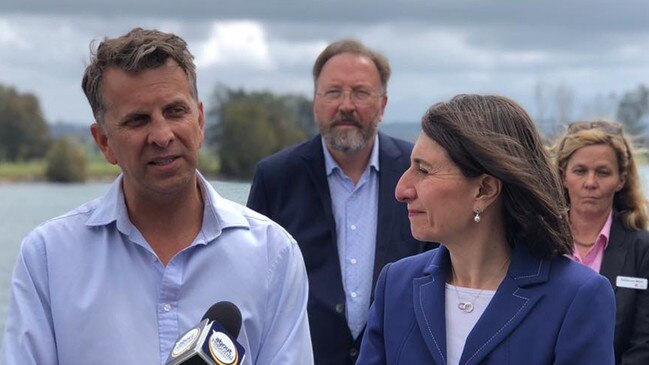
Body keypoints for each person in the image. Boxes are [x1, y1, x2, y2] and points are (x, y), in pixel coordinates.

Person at [0, 28, 313, 364]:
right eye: (138, 120)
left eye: (175, 111)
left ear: (200, 121)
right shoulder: (48, 258)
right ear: (103, 141)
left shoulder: (273, 254)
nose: (162, 135)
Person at [356, 94, 616, 365]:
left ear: (485, 189)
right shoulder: (397, 285)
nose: (401, 190)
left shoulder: (576, 296)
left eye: (423, 170)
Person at [246, 39, 432, 364]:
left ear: (383, 104)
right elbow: (252, 284)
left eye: (360, 93)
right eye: (333, 93)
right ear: (315, 103)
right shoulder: (276, 178)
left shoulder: (417, 173)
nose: (346, 105)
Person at [554, 120, 649, 365]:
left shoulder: (642, 249)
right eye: (580, 171)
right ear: (564, 176)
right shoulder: (537, 241)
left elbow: (644, 344)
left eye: (603, 172)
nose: (590, 183)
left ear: (621, 179)